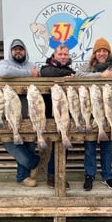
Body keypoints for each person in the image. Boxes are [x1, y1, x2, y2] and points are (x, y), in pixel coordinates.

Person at [77, 37, 112, 191]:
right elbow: (79, 75)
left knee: (107, 145)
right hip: (90, 111)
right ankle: (89, 176)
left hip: (110, 110)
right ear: (95, 53)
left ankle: (107, 176)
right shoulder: (88, 67)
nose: (102, 54)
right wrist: (99, 76)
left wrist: (111, 76)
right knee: (90, 145)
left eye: (105, 51)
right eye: (99, 51)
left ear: (108, 52)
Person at [0, 38, 40, 187]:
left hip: (29, 114)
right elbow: (3, 72)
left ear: (25, 51)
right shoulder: (5, 64)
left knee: (28, 145)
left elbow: (38, 77)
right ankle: (34, 163)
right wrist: (28, 74)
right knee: (10, 143)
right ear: (11, 51)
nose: (18, 51)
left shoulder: (32, 65)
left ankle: (23, 177)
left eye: (21, 49)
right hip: (8, 115)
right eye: (15, 49)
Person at [40, 44, 75, 189]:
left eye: (65, 54)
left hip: (64, 114)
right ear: (54, 56)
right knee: (49, 145)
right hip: (47, 114)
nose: (63, 56)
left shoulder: (71, 71)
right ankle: (48, 174)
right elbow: (47, 73)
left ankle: (57, 176)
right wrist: (66, 77)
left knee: (62, 145)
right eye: (60, 54)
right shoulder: (46, 68)